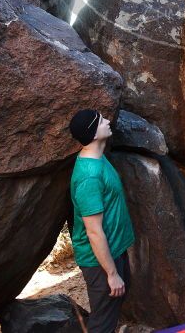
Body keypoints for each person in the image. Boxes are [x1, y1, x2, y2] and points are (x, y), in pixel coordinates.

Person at [68, 109, 135, 333]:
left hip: (113, 251)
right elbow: (93, 231)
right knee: (102, 323)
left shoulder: (98, 157)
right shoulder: (89, 176)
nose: (107, 121)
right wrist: (112, 273)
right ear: (93, 134)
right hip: (100, 262)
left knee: (111, 310)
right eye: (100, 120)